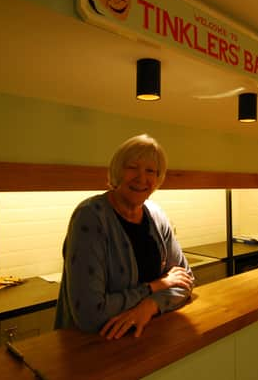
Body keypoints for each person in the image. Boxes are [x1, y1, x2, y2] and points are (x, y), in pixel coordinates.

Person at [54, 134, 194, 339]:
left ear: (158, 179)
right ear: (117, 171)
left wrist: (149, 307)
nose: (141, 178)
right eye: (132, 167)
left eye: (150, 171)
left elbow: (185, 280)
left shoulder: (157, 215)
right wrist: (155, 287)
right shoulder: (90, 217)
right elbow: (90, 314)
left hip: (145, 338)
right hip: (90, 346)